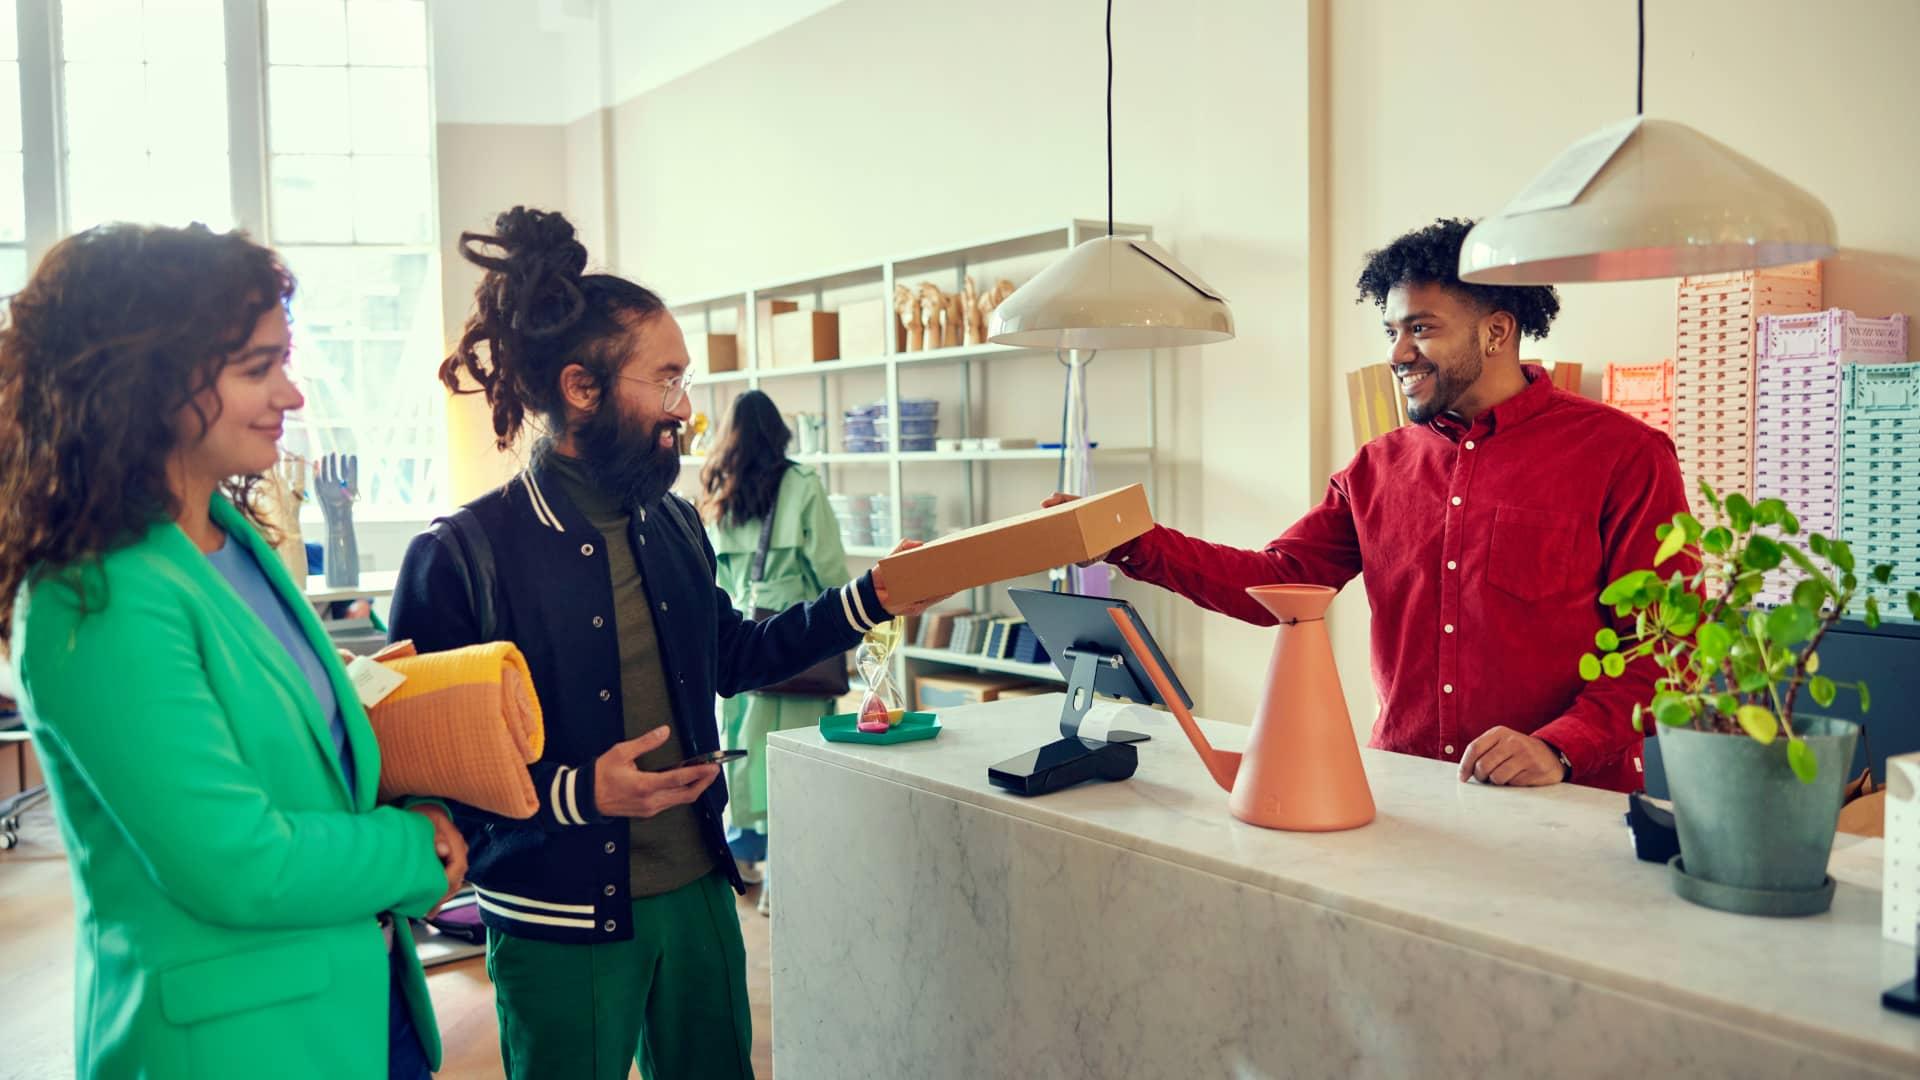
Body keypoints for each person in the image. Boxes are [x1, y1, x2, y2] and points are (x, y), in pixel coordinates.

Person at [387, 206, 940, 1080]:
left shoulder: (673, 522)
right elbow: (421, 781)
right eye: (668, 381)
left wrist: (870, 599)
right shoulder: (461, 556)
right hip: (559, 923)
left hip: (697, 895)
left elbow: (737, 653)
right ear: (582, 388)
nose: (686, 409)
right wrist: (580, 793)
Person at [0, 223, 463, 1080]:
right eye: (258, 367)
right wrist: (413, 850)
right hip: (235, 1040)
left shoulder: (231, 539)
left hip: (358, 998)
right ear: (145, 382)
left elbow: (286, 736)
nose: (290, 395)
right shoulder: (93, 594)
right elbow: (234, 863)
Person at [1047, 217, 1689, 792]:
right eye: (1391, 330)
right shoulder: (1376, 468)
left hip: (1565, 802)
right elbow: (1276, 583)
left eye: (1421, 328)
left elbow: (1667, 646)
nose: (1396, 352)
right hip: (1405, 786)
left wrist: (1559, 747)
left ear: (1497, 332)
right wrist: (1128, 538)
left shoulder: (1626, 456)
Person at [697, 390, 852, 913]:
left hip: (736, 637)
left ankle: (747, 863)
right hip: (790, 638)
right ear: (779, 432)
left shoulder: (717, 488)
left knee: (743, 752)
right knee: (795, 756)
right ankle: (787, 873)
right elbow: (830, 571)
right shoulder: (801, 483)